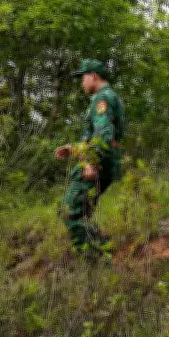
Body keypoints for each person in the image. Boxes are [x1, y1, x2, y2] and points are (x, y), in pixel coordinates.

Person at [55, 59, 125, 252]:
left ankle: (94, 260)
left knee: (70, 213)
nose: (81, 83)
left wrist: (91, 163)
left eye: (82, 77)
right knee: (81, 213)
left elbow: (104, 135)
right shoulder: (110, 97)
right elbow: (100, 136)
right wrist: (75, 149)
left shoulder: (101, 99)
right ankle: (103, 250)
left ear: (93, 76)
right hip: (104, 161)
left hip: (98, 163)